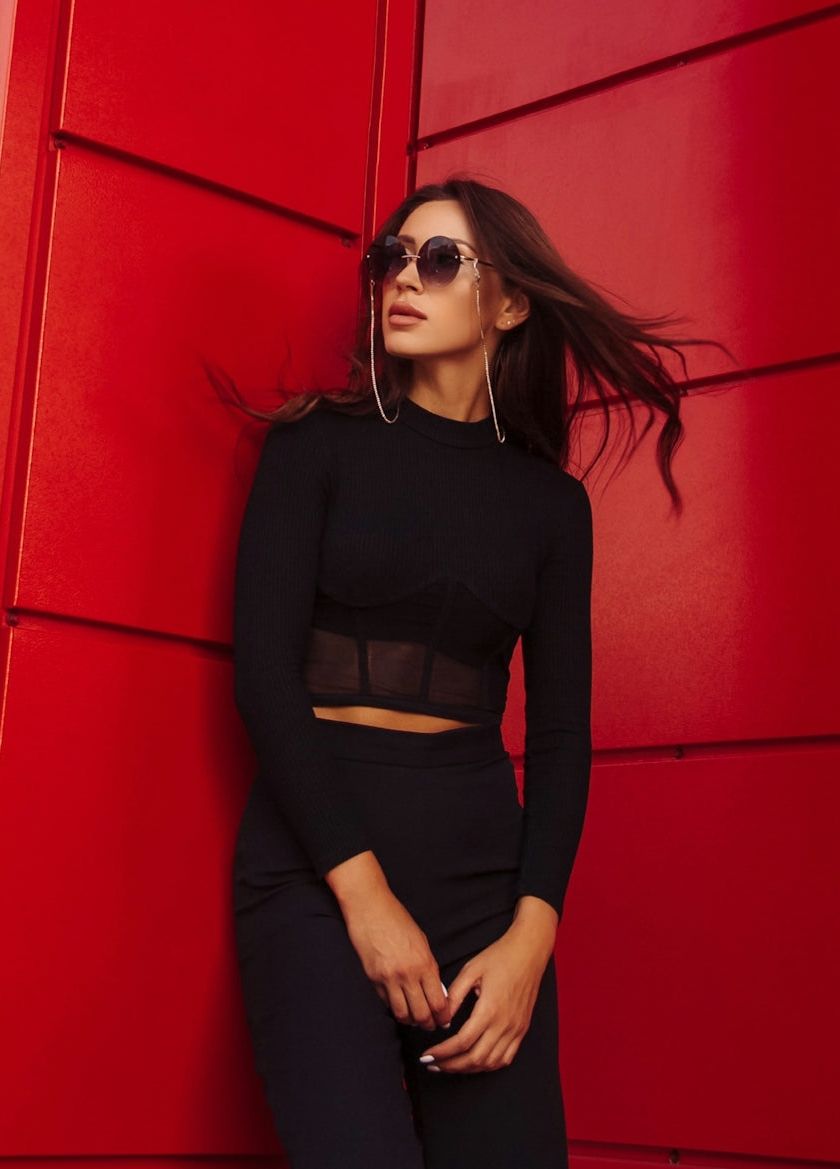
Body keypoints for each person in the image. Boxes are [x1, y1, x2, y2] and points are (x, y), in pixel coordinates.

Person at [224, 176, 691, 1169]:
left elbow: (561, 735)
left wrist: (531, 939)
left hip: (484, 886)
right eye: (391, 257)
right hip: (319, 871)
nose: (403, 278)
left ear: (508, 302)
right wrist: (366, 898)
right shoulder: (315, 446)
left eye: (438, 260)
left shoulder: (549, 506)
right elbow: (265, 676)